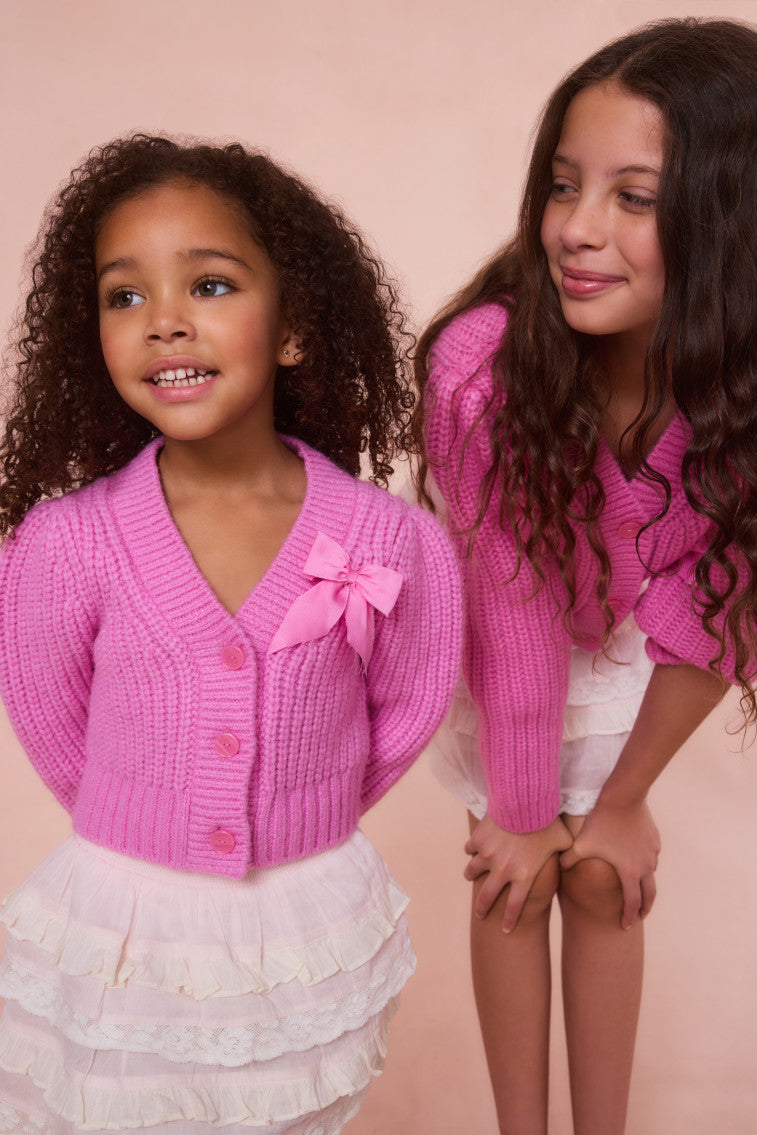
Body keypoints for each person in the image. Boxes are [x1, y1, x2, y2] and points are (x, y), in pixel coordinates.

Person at [0, 134, 461, 1135]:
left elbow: (407, 704)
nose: (163, 320)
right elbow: (51, 718)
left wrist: (299, 810)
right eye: (124, 296)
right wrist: (151, 823)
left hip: (303, 912)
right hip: (125, 918)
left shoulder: (387, 538)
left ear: (293, 329)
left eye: (208, 285)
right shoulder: (66, 541)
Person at [415, 17, 756, 1135]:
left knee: (604, 875)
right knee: (513, 877)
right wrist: (523, 818)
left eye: (633, 197)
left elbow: (724, 602)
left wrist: (622, 801)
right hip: (503, 621)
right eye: (564, 186)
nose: (576, 228)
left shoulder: (739, 384)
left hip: (637, 628)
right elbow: (512, 612)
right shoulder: (481, 369)